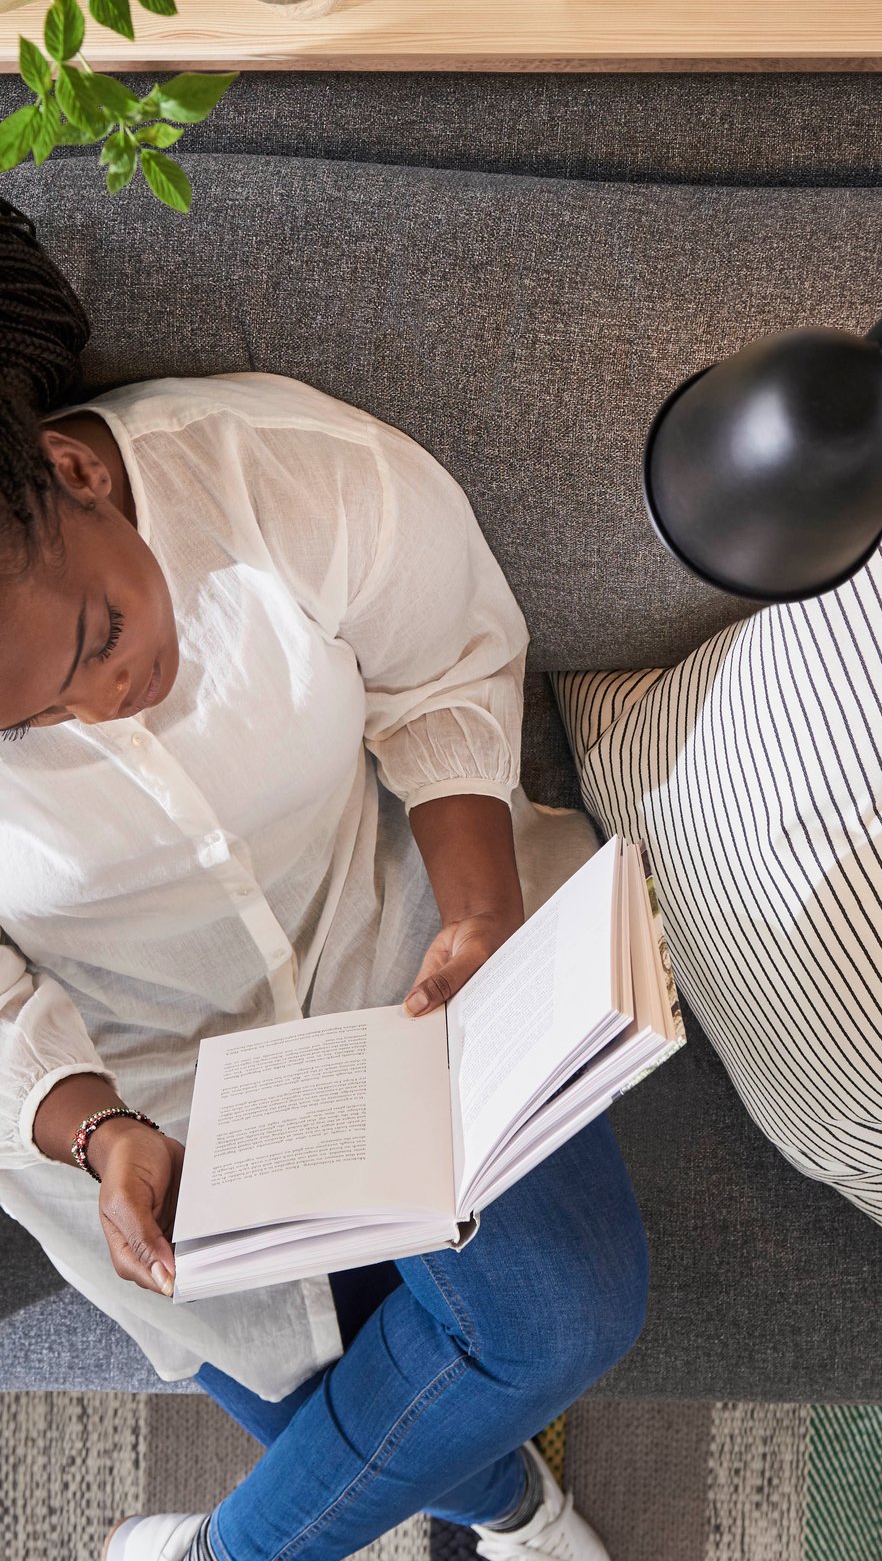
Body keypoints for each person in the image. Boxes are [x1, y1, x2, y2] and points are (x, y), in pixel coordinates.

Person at [0, 201, 648, 1561]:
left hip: (396, 972)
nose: (102, 705)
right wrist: (97, 1132)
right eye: (31, 725)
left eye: (98, 640)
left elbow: (450, 667)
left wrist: (476, 911)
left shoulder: (281, 475)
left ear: (78, 472)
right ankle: (519, 1511)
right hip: (137, 1100)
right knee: (355, 1407)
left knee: (562, 1316)